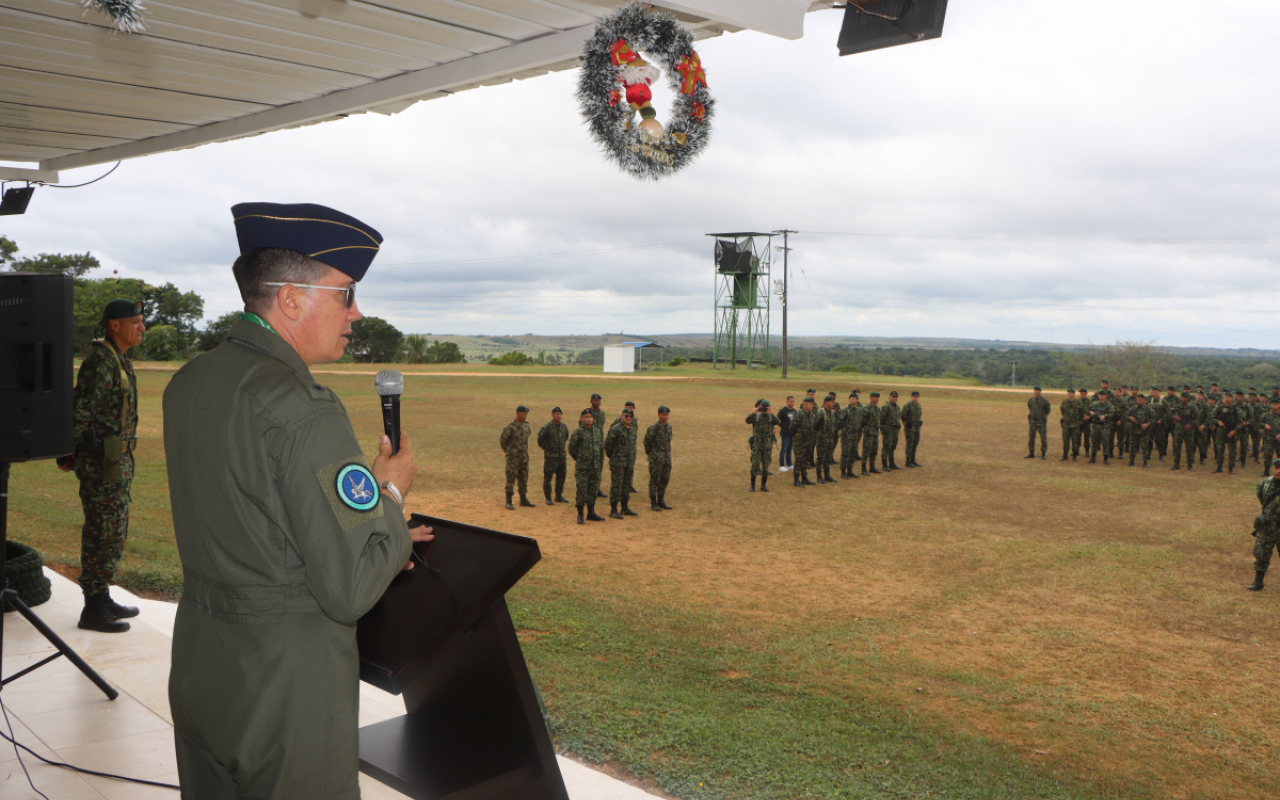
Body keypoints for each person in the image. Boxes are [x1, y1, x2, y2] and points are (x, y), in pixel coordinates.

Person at [163, 202, 430, 799]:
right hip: (285, 677)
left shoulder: (192, 382)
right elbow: (349, 588)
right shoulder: (302, 406)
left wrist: (386, 536)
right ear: (290, 300)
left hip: (205, 658)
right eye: (345, 295)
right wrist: (390, 491)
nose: (356, 314)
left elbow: (258, 517)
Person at [62, 298, 146, 633]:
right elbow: (79, 411)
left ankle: (101, 594)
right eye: (135, 322)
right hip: (100, 463)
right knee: (101, 531)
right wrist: (67, 452)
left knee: (113, 531)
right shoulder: (101, 361)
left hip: (115, 460)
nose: (141, 328)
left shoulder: (118, 359)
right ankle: (92, 608)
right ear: (115, 325)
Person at [1247, 459, 1280, 591]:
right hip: (1267, 525)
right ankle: (1258, 582)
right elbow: (1262, 500)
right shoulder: (1265, 483)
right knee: (1261, 553)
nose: (1279, 470)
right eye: (1276, 467)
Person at [568, 408, 605, 523]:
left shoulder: (598, 431)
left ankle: (591, 512)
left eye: (591, 417)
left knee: (593, 490)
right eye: (587, 417)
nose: (589, 419)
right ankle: (580, 514)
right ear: (582, 418)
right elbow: (571, 448)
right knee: (582, 490)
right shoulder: (578, 431)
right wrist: (580, 458)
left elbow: (600, 447)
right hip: (583, 467)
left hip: (595, 467)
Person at [604, 408, 639, 518]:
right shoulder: (616, 429)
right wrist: (615, 457)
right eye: (626, 416)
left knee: (627, 485)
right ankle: (613, 510)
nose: (628, 418)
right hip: (618, 463)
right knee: (616, 486)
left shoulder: (632, 429)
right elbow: (608, 445)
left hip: (629, 462)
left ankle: (625, 507)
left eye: (630, 416)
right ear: (621, 416)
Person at [537, 407, 570, 505]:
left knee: (561, 477)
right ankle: (548, 497)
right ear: (552, 415)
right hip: (551, 457)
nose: (559, 416)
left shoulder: (564, 427)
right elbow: (540, 440)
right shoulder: (547, 427)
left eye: (560, 414)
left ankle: (559, 496)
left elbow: (566, 437)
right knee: (548, 477)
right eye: (557, 414)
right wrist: (548, 449)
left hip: (561, 457)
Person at [644, 405, 674, 510]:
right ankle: (653, 503)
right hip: (656, 459)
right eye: (663, 414)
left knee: (664, 480)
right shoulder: (654, 428)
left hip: (666, 458)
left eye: (667, 415)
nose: (665, 416)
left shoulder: (669, 427)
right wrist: (652, 454)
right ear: (658, 414)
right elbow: (647, 442)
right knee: (654, 481)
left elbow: (668, 442)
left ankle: (661, 500)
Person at [746, 399, 780, 492]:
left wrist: (771, 413)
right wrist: (754, 413)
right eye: (762, 408)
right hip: (757, 444)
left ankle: (763, 486)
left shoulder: (770, 417)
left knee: (766, 466)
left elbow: (778, 422)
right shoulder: (756, 416)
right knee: (755, 465)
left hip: (767, 445)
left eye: (766, 408)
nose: (764, 411)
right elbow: (747, 421)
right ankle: (752, 485)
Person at [585, 393, 607, 498]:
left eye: (598, 401)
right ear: (591, 401)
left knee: (599, 467)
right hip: (591, 444)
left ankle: (597, 488)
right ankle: (588, 488)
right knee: (590, 467)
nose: (597, 402)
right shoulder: (588, 413)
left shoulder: (602, 413)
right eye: (595, 400)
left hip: (600, 444)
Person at [791, 396, 817, 486]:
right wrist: (797, 437)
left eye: (812, 404)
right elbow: (792, 427)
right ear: (804, 404)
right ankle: (796, 479)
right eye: (810, 404)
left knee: (806, 460)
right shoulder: (799, 414)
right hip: (800, 442)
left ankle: (804, 478)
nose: (811, 406)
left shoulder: (810, 414)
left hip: (808, 441)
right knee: (799, 460)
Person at [1169, 391, 1197, 472]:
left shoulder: (1192, 407)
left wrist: (1190, 424)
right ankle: (1176, 464)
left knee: (1189, 448)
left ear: (1188, 398)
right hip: (1178, 429)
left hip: (1188, 430)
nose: (1183, 399)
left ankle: (1190, 465)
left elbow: (1197, 418)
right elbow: (1169, 414)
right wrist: (1175, 417)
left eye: (1185, 397)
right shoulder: (1177, 407)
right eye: (1182, 397)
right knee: (1177, 446)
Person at [1125, 393, 1154, 467]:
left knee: (1144, 447)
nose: (1140, 401)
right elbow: (1125, 415)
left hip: (1144, 431)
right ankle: (1131, 461)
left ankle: (1145, 462)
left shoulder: (1148, 409)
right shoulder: (1133, 408)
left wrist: (1147, 424)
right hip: (1134, 430)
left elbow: (1154, 419)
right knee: (1133, 446)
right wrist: (1130, 418)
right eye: (1138, 400)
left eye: (1141, 400)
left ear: (1144, 400)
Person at [838, 392, 862, 478]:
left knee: (852, 453)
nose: (854, 400)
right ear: (849, 399)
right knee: (845, 453)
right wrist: (845, 431)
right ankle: (843, 471)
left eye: (855, 399)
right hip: (847, 435)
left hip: (855, 435)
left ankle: (850, 470)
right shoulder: (845, 410)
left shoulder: (858, 410)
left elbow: (859, 421)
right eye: (852, 399)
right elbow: (840, 422)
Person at [814, 395, 837, 483]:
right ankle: (819, 476)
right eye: (831, 402)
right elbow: (815, 425)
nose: (833, 404)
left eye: (833, 402)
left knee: (828, 458)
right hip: (822, 440)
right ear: (826, 403)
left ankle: (827, 475)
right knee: (821, 458)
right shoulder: (821, 412)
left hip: (830, 439)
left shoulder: (831, 413)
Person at [880, 390, 903, 471]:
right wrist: (884, 429)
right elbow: (881, 419)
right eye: (893, 396)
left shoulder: (897, 407)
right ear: (890, 397)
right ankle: (885, 464)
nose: (895, 398)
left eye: (896, 397)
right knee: (886, 447)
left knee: (893, 446)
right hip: (888, 430)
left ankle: (892, 463)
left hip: (895, 430)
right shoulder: (886, 407)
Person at [1087, 390, 1112, 464]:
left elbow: (1112, 413)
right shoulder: (1094, 404)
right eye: (1100, 395)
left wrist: (1105, 416)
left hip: (1104, 426)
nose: (1102, 396)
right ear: (1098, 396)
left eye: (1103, 395)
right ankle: (1093, 458)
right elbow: (1087, 410)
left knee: (1105, 442)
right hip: (1095, 425)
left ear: (1106, 396)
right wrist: (1091, 413)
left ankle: (1105, 459)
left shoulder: (1108, 405)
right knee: (1094, 442)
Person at [1026, 386, 1051, 459]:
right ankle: (1031, 453)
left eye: (1038, 390)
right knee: (1031, 438)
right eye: (1035, 390)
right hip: (1033, 422)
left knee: (1043, 438)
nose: (1037, 392)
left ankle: (1043, 453)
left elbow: (1048, 409)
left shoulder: (1044, 400)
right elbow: (1030, 407)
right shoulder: (1031, 400)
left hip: (1041, 422)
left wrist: (1043, 416)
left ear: (1040, 392)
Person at [861, 392, 882, 475]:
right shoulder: (867, 408)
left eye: (878, 397)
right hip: (869, 432)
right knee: (866, 450)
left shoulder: (877, 408)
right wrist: (865, 428)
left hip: (875, 433)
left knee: (874, 450)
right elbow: (862, 420)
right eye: (875, 397)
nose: (877, 399)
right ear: (871, 398)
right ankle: (863, 469)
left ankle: (872, 467)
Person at [1059, 388, 1082, 461]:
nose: (1071, 394)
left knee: (1075, 441)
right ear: (1068, 394)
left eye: (1072, 393)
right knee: (1065, 441)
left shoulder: (1078, 403)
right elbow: (1062, 411)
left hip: (1075, 425)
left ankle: (1074, 456)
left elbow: (1081, 412)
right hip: (1066, 425)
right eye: (1069, 393)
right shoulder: (1064, 402)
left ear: (1074, 394)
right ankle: (1065, 455)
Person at [777, 395, 797, 472]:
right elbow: (777, 420)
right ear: (787, 401)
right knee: (784, 449)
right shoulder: (783, 411)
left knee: (790, 449)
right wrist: (783, 426)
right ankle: (782, 465)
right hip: (785, 433)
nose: (792, 403)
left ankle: (789, 464)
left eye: (793, 402)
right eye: (790, 401)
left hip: (792, 433)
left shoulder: (794, 411)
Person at [1262, 398, 1280, 478]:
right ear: (1270, 405)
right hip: (1269, 439)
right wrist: (1265, 425)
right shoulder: (1267, 415)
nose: (1275, 406)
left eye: (1276, 404)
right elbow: (1259, 422)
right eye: (1273, 404)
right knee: (1268, 454)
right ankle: (1266, 471)